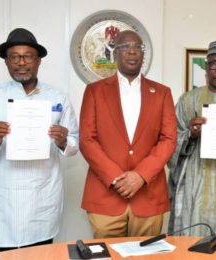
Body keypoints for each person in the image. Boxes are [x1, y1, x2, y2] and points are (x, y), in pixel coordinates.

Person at [79, 30, 177, 238]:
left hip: (148, 198)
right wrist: (116, 178)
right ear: (114, 53)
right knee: (106, 255)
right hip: (106, 196)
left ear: (143, 54)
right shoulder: (94, 91)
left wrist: (140, 175)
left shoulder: (162, 92)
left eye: (137, 47)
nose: (132, 51)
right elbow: (87, 140)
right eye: (125, 47)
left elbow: (168, 139)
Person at [0, 28, 79, 252]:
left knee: (39, 253)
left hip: (42, 200)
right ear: (6, 62)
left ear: (38, 61)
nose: (21, 62)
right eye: (14, 57)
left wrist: (62, 142)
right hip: (1, 202)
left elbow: (75, 143)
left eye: (28, 56)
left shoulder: (58, 98)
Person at [168, 38, 216, 238]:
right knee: (191, 244)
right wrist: (190, 134)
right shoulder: (187, 100)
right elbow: (170, 142)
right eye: (213, 64)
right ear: (206, 67)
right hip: (195, 186)